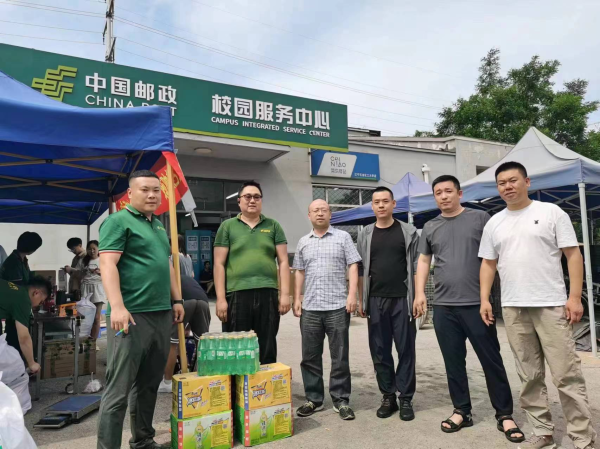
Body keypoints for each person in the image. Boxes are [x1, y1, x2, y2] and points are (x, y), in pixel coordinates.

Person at [479, 161, 596, 449]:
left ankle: (582, 436)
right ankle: (542, 431)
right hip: (513, 306)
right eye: (502, 183)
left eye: (513, 180)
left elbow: (573, 255)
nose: (507, 187)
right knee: (529, 374)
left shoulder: (550, 212)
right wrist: (484, 299)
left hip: (550, 304)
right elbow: (488, 263)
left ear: (527, 182)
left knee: (566, 374)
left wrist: (574, 297)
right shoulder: (495, 222)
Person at [413, 175, 523, 442]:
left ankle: (505, 414)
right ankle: (462, 410)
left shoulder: (480, 218)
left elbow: (495, 257)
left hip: (477, 304)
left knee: (491, 360)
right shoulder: (430, 226)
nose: (443, 196)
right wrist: (419, 293)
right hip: (444, 307)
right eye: (438, 192)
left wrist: (490, 297)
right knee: (453, 362)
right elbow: (424, 260)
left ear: (459, 193)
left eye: (448, 191)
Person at [96, 170, 184, 449]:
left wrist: (177, 300)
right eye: (145, 190)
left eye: (156, 190)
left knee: (148, 385)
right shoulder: (117, 221)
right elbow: (107, 264)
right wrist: (117, 307)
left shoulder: (157, 225)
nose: (152, 195)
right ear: (130, 193)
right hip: (131, 316)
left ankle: (143, 440)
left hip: (161, 314)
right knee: (118, 390)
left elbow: (167, 265)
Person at [293, 200, 361, 421]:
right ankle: (314, 399)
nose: (320, 213)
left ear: (330, 214)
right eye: (315, 210)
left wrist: (352, 295)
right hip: (310, 308)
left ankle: (341, 400)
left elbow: (353, 265)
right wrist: (297, 297)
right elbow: (299, 271)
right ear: (309, 215)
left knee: (339, 356)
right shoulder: (303, 241)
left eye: (324, 210)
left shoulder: (343, 237)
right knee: (310, 356)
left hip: (337, 307)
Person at [357, 186, 419, 421]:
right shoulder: (365, 233)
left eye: (385, 201)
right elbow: (360, 268)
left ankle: (406, 398)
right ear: (372, 206)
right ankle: (388, 396)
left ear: (393, 204)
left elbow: (416, 267)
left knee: (406, 349)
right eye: (377, 202)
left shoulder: (408, 231)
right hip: (375, 299)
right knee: (380, 350)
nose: (381, 205)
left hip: (402, 298)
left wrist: (417, 296)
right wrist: (361, 298)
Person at [214, 181, 290, 364]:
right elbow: (219, 264)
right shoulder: (227, 227)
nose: (252, 200)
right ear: (239, 200)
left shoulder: (273, 226)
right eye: (247, 196)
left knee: (267, 345)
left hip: (268, 292)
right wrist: (221, 299)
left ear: (261, 200)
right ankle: (237, 382)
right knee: (236, 347)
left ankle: (265, 381)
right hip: (236, 293)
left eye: (257, 197)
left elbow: (283, 261)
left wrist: (285, 295)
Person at [0, 276, 51, 411]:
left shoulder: (12, 289)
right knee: (17, 370)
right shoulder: (23, 299)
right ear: (36, 293)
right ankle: (14, 410)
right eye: (41, 301)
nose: (38, 305)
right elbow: (23, 337)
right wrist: (32, 363)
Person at [158, 274, 211, 393]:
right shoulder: (185, 278)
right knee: (202, 343)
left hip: (182, 302)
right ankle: (203, 377)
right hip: (203, 300)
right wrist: (187, 327)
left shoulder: (169, 277)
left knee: (171, 343)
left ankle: (167, 382)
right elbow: (194, 304)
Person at [78, 240, 106, 340]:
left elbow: (110, 275)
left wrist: (100, 273)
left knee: (96, 318)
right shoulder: (83, 260)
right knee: (85, 317)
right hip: (86, 288)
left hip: (98, 289)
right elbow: (78, 274)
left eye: (94, 249)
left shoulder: (103, 260)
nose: (92, 251)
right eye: (89, 249)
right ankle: (84, 339)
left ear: (98, 249)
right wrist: (83, 272)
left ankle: (93, 341)